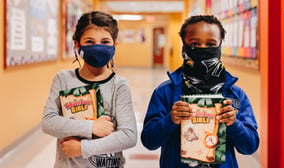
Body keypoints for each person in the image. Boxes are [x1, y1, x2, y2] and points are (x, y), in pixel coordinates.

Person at [141, 15, 259, 168]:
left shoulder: (235, 95)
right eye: (195, 43)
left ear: (219, 46)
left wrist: (234, 124)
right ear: (184, 45)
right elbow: (149, 142)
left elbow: (250, 146)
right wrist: (170, 120)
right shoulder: (165, 92)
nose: (203, 49)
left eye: (211, 44)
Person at [41, 11, 137, 168]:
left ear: (115, 46)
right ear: (77, 44)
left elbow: (129, 136)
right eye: (90, 41)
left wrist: (82, 148)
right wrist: (91, 127)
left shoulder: (119, 86)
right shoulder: (63, 79)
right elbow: (48, 122)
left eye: (105, 42)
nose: (97, 47)